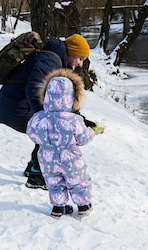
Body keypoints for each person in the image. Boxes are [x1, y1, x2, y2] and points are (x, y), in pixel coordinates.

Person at [0, 33, 91, 189]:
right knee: (53, 132)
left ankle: (33, 167)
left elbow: (59, 102)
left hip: (15, 104)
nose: (80, 64)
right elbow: (33, 90)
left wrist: (79, 119)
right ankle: (36, 176)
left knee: (50, 130)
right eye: (80, 58)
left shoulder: (55, 60)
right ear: (72, 52)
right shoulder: (49, 61)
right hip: (15, 107)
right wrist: (49, 120)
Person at [27, 69, 102, 218]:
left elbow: (32, 134)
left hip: (47, 158)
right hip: (71, 159)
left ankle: (58, 208)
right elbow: (83, 138)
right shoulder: (73, 119)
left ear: (47, 95)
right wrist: (93, 131)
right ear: (72, 97)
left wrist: (46, 141)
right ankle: (83, 206)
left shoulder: (39, 118)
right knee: (78, 181)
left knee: (54, 182)